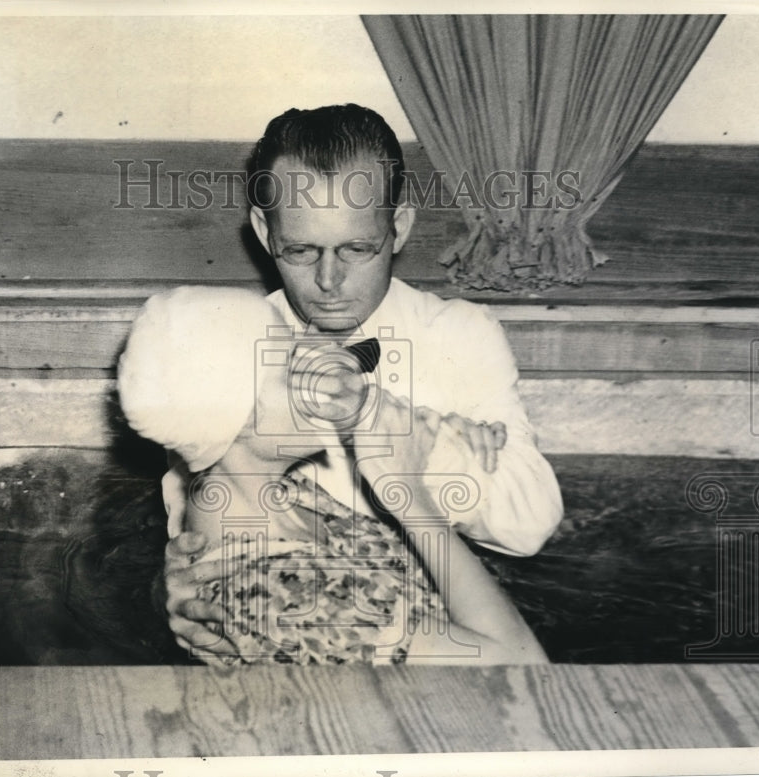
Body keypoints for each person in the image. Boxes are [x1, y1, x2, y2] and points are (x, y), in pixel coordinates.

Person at [163, 104, 563, 657]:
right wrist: (165, 595)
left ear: (398, 227)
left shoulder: (460, 334)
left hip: (459, 632)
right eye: (301, 251)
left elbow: (529, 523)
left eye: (356, 249)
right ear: (264, 230)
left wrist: (414, 445)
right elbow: (193, 542)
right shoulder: (230, 351)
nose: (328, 282)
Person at [118, 285, 549, 664]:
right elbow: (524, 674)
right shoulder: (286, 596)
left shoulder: (288, 494)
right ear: (238, 418)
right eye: (290, 366)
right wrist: (412, 499)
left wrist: (445, 445)